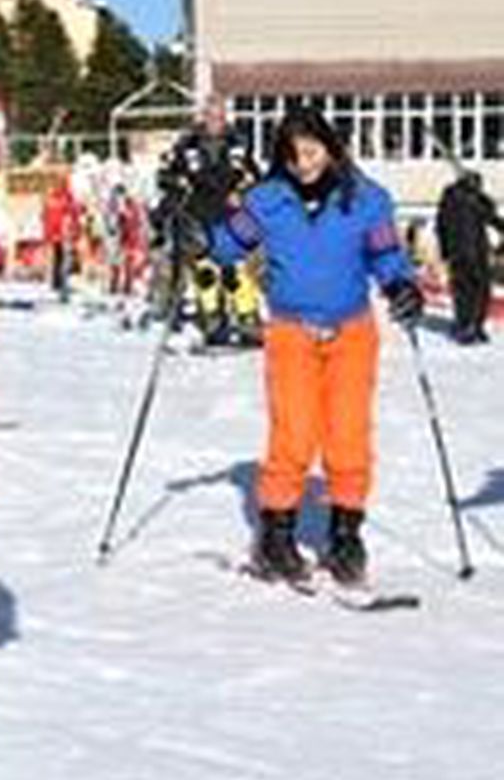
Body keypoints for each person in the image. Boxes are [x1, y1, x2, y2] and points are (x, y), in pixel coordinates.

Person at [194, 107, 423, 586]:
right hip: (292, 332)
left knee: (347, 436)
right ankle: (276, 536)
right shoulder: (267, 201)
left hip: (351, 332)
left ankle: (345, 535)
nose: (304, 163)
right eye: (293, 154)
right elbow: (229, 245)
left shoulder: (365, 199)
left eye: (312, 150)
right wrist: (199, 230)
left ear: (330, 146)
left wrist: (401, 285)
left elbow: (385, 256)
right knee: (293, 434)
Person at [158, 94, 262, 345]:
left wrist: (243, 192)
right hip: (198, 212)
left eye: (220, 115)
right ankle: (213, 319)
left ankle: (247, 318)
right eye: (210, 115)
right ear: (203, 116)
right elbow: (165, 175)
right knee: (206, 270)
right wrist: (177, 184)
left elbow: (255, 176)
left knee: (235, 269)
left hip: (231, 214)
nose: (215, 120)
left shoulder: (238, 142)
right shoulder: (187, 144)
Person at [435, 169, 503, 344]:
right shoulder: (475, 200)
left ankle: (466, 324)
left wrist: (444, 251)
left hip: (457, 252)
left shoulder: (448, 200)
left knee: (463, 290)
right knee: (479, 289)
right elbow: (492, 216)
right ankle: (474, 326)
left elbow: (440, 226)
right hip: (476, 252)